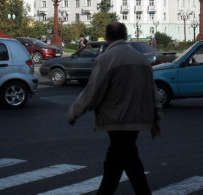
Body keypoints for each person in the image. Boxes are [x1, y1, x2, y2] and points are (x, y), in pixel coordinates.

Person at [67, 22, 162, 195]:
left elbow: (93, 91)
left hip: (116, 119)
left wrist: (75, 111)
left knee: (130, 162)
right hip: (139, 118)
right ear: (125, 36)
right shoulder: (141, 59)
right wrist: (156, 118)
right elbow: (152, 91)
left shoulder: (105, 59)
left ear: (107, 37)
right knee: (115, 162)